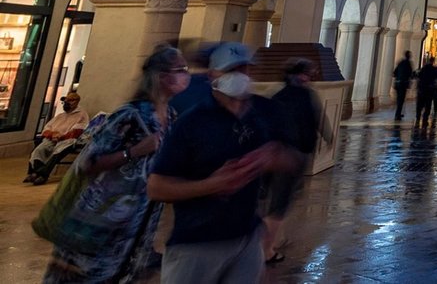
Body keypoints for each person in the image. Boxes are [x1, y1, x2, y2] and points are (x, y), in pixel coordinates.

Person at [147, 41, 304, 283]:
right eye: (230, 70)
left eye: (244, 69)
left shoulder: (266, 112)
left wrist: (274, 156)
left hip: (247, 237)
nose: (239, 76)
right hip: (197, 242)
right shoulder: (192, 122)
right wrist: (212, 185)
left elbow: (294, 159)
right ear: (212, 75)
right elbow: (156, 187)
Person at [39, 44, 188, 284]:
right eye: (180, 69)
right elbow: (88, 162)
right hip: (100, 221)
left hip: (137, 225)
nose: (186, 75)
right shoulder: (129, 115)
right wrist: (134, 152)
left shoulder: (171, 117)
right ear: (161, 77)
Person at [262, 59, 327, 265]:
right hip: (291, 153)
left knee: (273, 197)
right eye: (309, 73)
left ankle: (273, 238)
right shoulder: (305, 95)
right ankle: (267, 249)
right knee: (281, 200)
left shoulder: (277, 94)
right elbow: (317, 119)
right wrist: (327, 136)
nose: (310, 78)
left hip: (274, 151)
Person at [25, 90, 89, 184]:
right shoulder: (60, 116)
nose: (67, 103)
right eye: (66, 100)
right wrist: (52, 134)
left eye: (70, 100)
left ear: (76, 101)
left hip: (67, 140)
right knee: (38, 150)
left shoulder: (82, 115)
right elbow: (47, 128)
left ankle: (42, 175)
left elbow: (78, 130)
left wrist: (61, 136)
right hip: (52, 138)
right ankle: (35, 173)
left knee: (57, 152)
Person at [415, 55, 437, 131]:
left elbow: (418, 77)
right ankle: (425, 119)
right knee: (428, 105)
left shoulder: (423, 69)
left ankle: (418, 118)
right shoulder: (433, 70)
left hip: (422, 89)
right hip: (429, 90)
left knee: (420, 105)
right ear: (433, 61)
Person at [392, 50, 415, 121]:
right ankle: (397, 115)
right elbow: (411, 74)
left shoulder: (400, 63)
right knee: (401, 100)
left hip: (398, 83)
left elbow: (394, 73)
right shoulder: (408, 64)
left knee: (399, 99)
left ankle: (398, 113)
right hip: (403, 84)